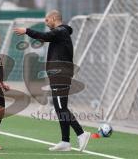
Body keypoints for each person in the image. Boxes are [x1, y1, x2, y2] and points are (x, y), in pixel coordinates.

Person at [14, 10, 90, 152]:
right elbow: (47, 37)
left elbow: (44, 36)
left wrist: (27, 30)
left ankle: (81, 133)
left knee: (62, 108)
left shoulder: (61, 31)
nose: (46, 22)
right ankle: (65, 141)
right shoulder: (60, 33)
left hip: (61, 74)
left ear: (54, 18)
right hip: (58, 75)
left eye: (47, 20)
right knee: (59, 107)